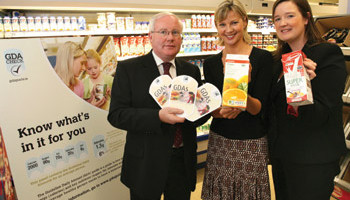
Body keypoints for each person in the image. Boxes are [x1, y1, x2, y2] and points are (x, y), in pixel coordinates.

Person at [107, 12, 207, 200]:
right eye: (163, 32)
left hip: (181, 161)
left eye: (175, 32)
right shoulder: (129, 69)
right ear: (150, 37)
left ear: (181, 38)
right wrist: (158, 117)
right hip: (145, 163)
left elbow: (195, 116)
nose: (170, 37)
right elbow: (117, 115)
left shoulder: (190, 70)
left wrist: (208, 110)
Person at [269, 0, 347, 199]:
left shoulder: (327, 54)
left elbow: (322, 113)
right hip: (282, 155)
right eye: (277, 19)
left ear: (306, 18)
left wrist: (303, 85)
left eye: (290, 16)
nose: (283, 23)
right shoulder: (277, 60)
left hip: (313, 157)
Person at [201, 0, 273, 199]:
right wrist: (219, 110)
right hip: (220, 140)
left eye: (234, 23)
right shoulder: (211, 63)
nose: (228, 30)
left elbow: (258, 108)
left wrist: (243, 91)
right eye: (222, 24)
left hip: (251, 140)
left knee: (248, 191)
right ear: (217, 27)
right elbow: (213, 106)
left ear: (244, 22)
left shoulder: (262, 59)